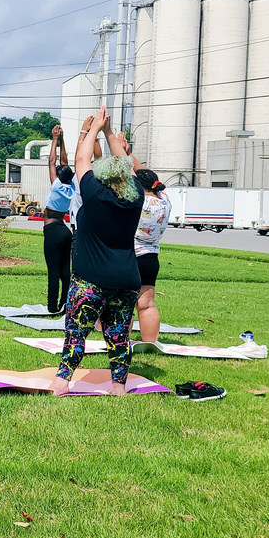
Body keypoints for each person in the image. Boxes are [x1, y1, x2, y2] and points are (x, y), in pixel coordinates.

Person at [51, 103, 143, 397]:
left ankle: (62, 382)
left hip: (90, 279)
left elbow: (81, 158)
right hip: (127, 279)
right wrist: (109, 131)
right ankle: (118, 386)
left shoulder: (94, 194)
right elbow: (126, 163)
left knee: (76, 332)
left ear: (102, 177)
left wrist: (93, 129)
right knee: (119, 335)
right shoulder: (136, 198)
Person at [132, 167, 171, 342]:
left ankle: (120, 343)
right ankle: (149, 343)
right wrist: (129, 155)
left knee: (124, 304)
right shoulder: (164, 201)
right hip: (151, 257)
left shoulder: (137, 201)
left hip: (131, 255)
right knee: (147, 304)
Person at [43, 124, 76, 314]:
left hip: (53, 231)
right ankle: (66, 304)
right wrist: (63, 141)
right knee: (65, 271)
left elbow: (52, 161)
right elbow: (64, 163)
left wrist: (55, 139)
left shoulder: (56, 185)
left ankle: (52, 306)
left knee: (53, 272)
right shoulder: (71, 187)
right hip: (65, 231)